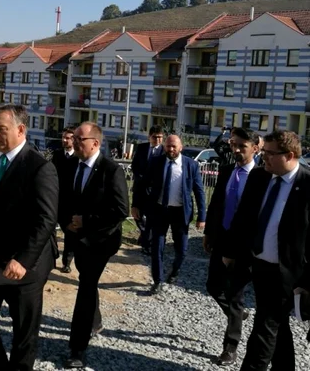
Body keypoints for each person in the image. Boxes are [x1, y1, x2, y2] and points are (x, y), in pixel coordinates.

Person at [0, 104, 59, 371]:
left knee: (23, 328)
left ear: (20, 129)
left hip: (25, 261)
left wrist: (23, 259)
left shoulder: (39, 167)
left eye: (1, 130)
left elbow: (46, 219)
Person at [223, 130, 310, 370]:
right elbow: (243, 218)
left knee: (264, 328)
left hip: (288, 273)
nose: (264, 158)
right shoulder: (260, 177)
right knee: (276, 324)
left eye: (270, 154)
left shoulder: (307, 184)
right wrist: (230, 251)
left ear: (290, 155)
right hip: (259, 264)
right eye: (264, 152)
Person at [61, 122, 129, 369]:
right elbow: (63, 200)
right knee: (87, 281)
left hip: (102, 239)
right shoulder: (70, 166)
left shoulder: (111, 170)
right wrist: (66, 221)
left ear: (95, 143)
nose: (74, 142)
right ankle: (96, 320)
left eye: (80, 139)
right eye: (74, 138)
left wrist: (86, 221)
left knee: (86, 286)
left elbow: (120, 210)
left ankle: (77, 349)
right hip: (77, 237)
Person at [203, 128, 259, 366]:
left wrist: (237, 252)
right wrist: (208, 234)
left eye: (241, 146)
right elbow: (216, 203)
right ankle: (238, 315)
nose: (235, 150)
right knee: (213, 286)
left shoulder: (262, 177)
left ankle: (230, 348)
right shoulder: (227, 171)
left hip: (244, 246)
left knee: (235, 295)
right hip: (222, 238)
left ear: (255, 148)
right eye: (233, 145)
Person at [133, 134, 206, 295]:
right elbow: (141, 184)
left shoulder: (190, 165)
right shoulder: (156, 162)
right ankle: (157, 281)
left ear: (181, 147)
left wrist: (202, 216)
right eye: (168, 146)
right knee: (156, 247)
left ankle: (174, 271)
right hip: (159, 210)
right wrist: (136, 204)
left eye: (174, 146)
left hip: (180, 212)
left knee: (182, 249)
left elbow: (199, 190)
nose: (171, 149)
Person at [130, 125, 165, 255]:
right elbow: (135, 165)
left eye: (160, 137)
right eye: (155, 137)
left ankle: (147, 243)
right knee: (137, 215)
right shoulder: (142, 148)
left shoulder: (164, 151)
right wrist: (140, 177)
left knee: (151, 218)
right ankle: (145, 235)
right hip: (140, 188)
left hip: (155, 191)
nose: (157, 140)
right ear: (149, 137)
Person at [52, 126, 79, 273]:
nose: (64, 140)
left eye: (68, 138)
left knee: (70, 232)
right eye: (63, 137)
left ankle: (67, 262)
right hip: (55, 198)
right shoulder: (57, 155)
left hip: (70, 202)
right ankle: (52, 255)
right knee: (50, 228)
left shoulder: (78, 157)